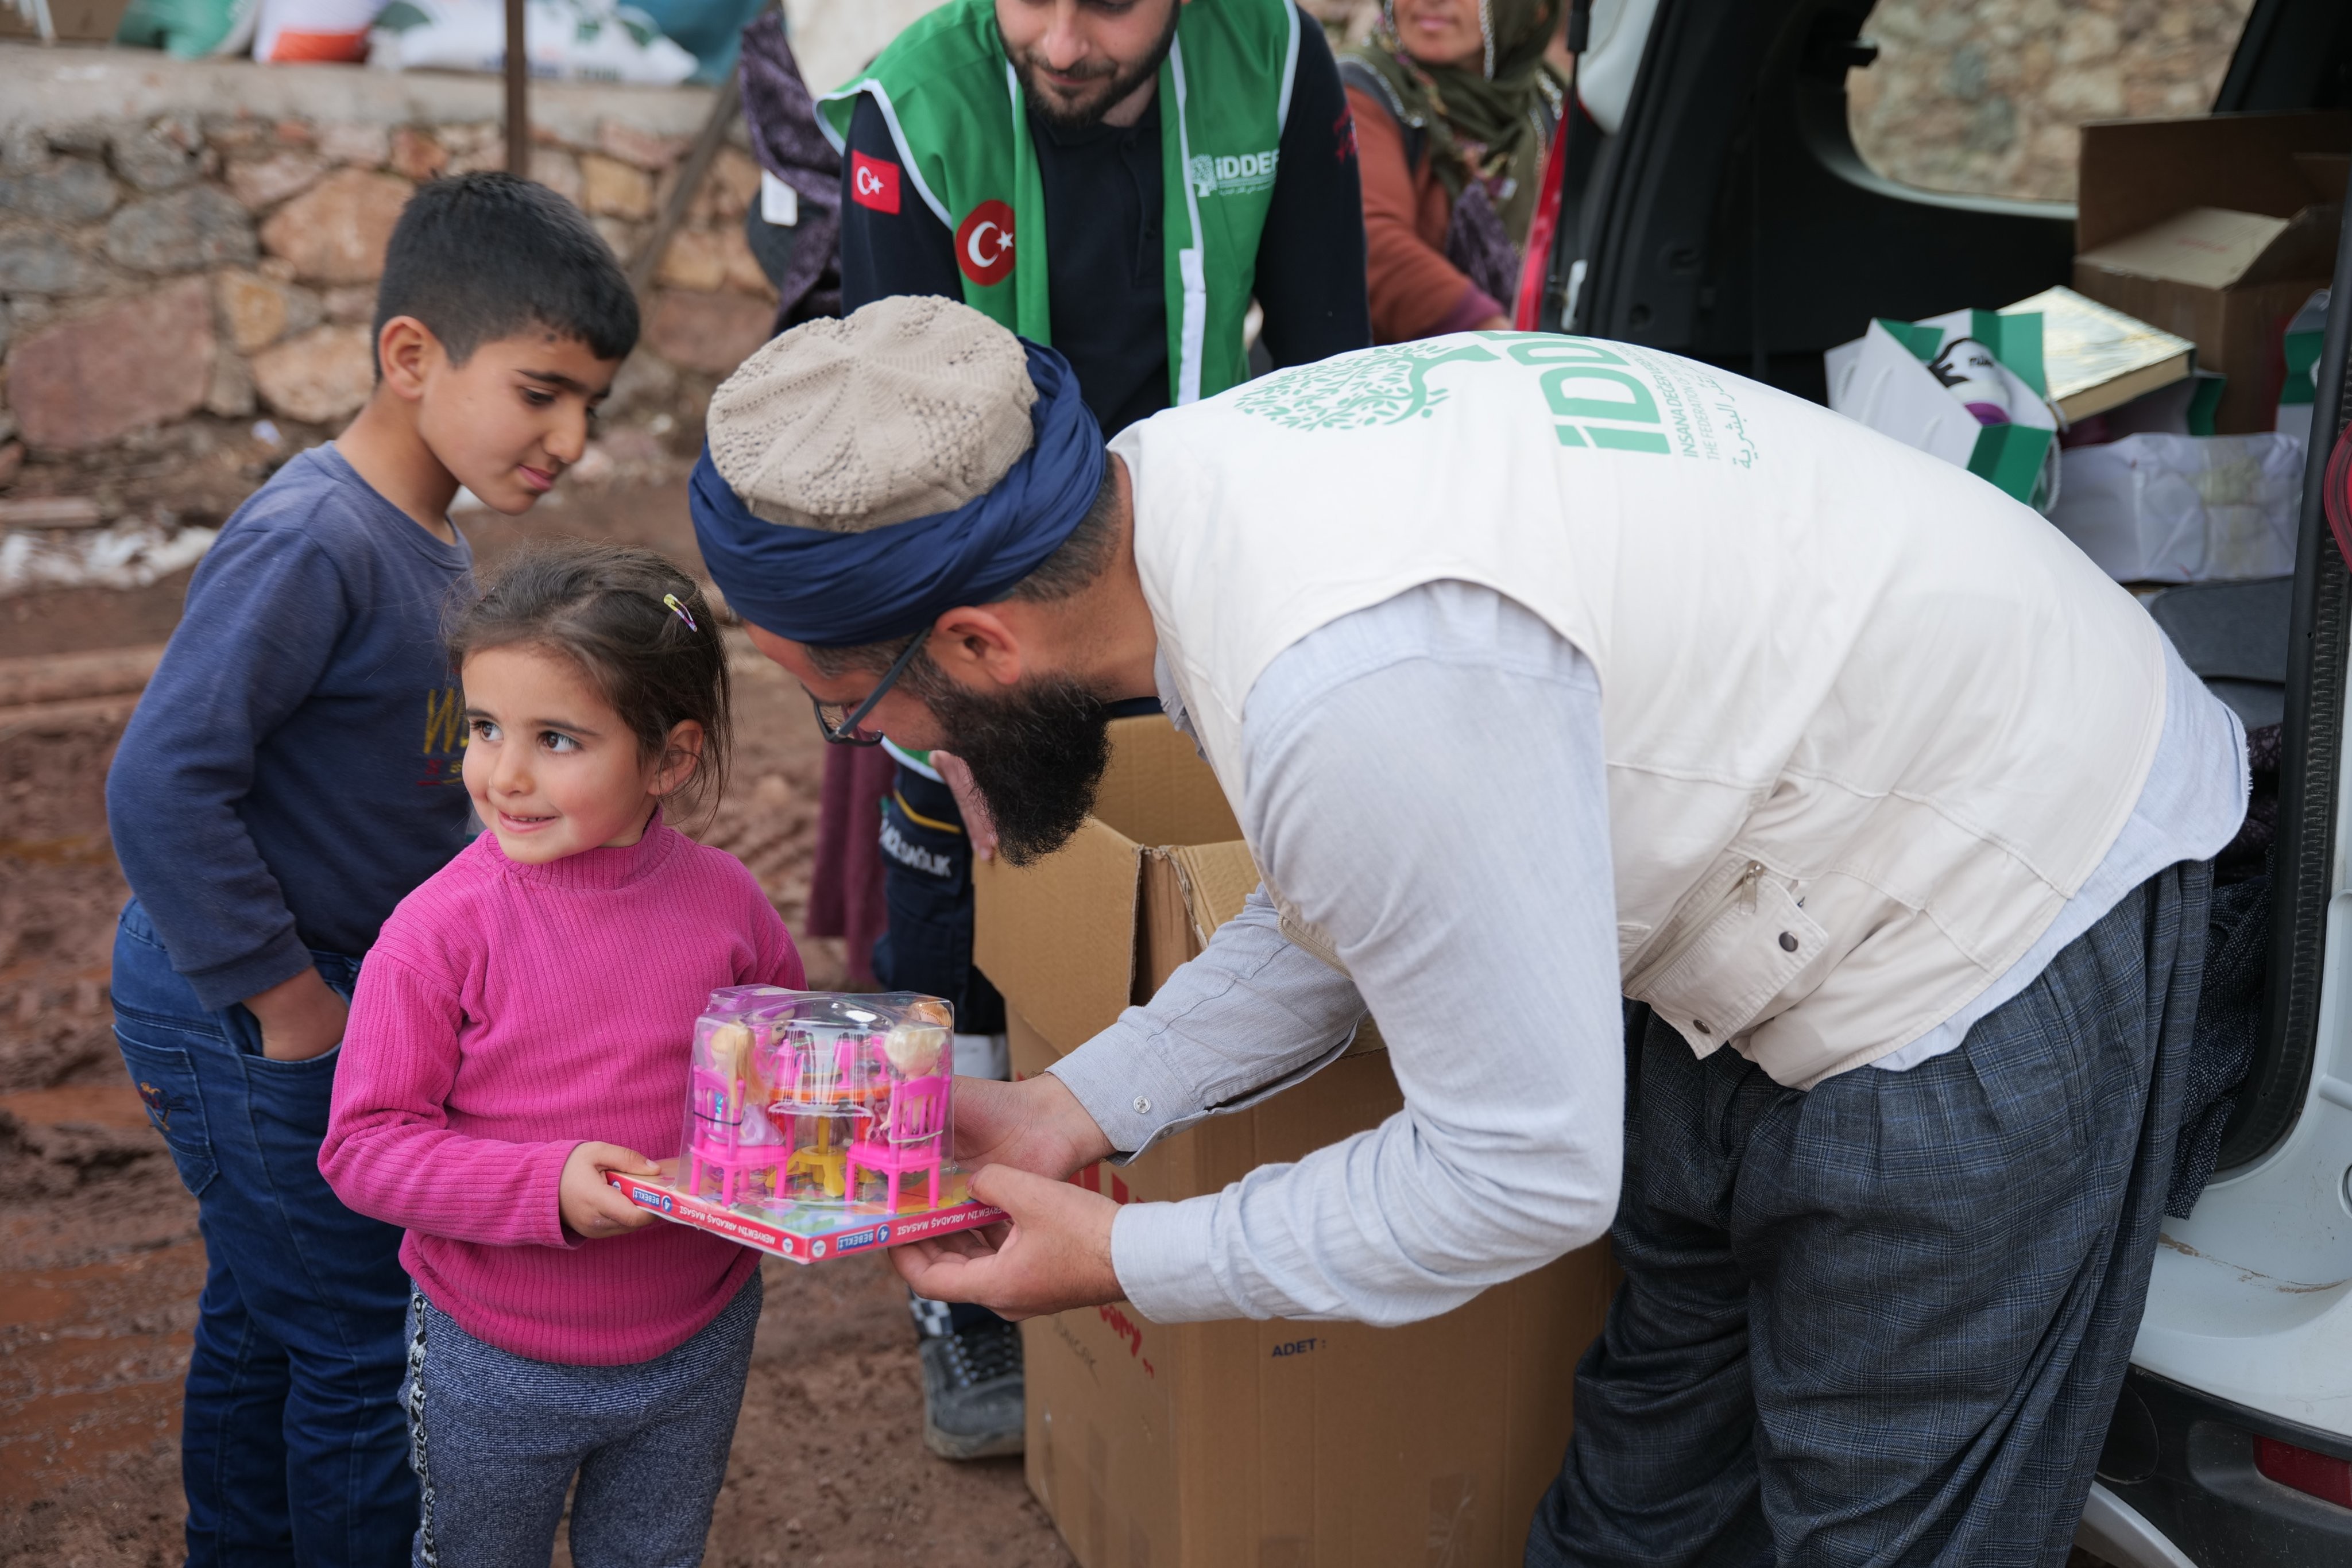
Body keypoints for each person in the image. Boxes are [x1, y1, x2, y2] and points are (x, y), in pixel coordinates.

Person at [688, 297, 2250, 1565]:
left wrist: (1127, 1253)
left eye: (862, 711)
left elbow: (1520, 1172)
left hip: (2002, 886)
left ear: (978, 638)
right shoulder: (1181, 500)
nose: (891, 751)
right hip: (1764, 862)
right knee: (1647, 1477)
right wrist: (1071, 1108)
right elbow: (1366, 887)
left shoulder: (1348, 671)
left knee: (1881, 1523)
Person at [807, 0, 1375, 1460]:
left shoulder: (1280, 56)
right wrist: (948, 724)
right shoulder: (915, 110)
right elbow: (895, 445)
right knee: (953, 899)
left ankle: (1175, 1196)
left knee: (1231, 883)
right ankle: (951, 1276)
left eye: (1111, 6)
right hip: (979, 587)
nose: (1062, 43)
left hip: (1190, 566)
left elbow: (1327, 356)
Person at [103, 173, 636, 1568]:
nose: (571, 438)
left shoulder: (425, 535)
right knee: (358, 1332)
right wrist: (291, 1008)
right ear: (412, 357)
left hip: (300, 990)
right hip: (246, 1002)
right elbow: (160, 783)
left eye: (591, 404)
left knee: (264, 1310)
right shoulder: (316, 539)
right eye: (541, 393)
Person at [319, 546, 805, 1568]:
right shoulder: (436, 933)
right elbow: (363, 1148)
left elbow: (786, 1071)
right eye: (485, 727)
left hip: (700, 1334)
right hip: (493, 1358)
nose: (506, 774)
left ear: (670, 759)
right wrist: (550, 1187)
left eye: (558, 739)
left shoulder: (729, 905)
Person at [1341, 0, 1566, 341]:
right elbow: (1370, 240)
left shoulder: (1549, 103)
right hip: (1395, 379)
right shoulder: (1359, 92)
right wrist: (1499, 337)